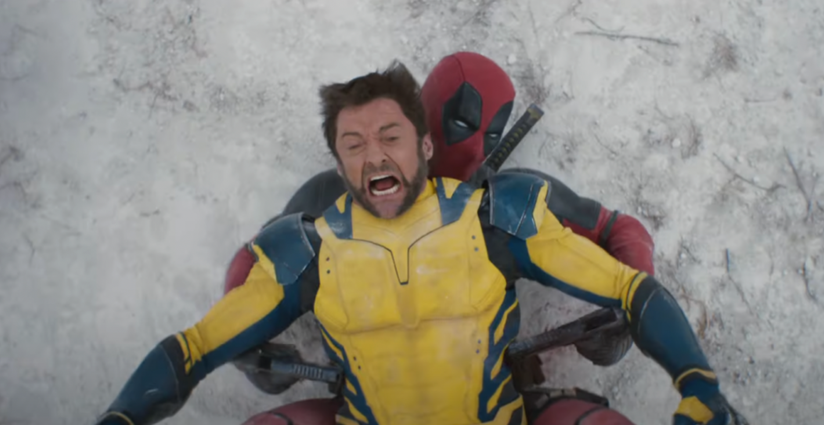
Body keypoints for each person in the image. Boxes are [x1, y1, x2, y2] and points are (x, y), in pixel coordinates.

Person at [69, 61, 741, 425]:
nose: (374, 157)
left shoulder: (500, 216)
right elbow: (195, 345)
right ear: (339, 162)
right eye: (354, 144)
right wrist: (119, 422)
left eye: (390, 137)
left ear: (422, 142)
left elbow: (630, 285)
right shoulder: (308, 246)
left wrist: (694, 377)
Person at [225, 52, 655, 385]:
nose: (475, 149)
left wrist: (629, 312)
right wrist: (248, 346)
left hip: (488, 411)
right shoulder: (340, 194)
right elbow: (255, 259)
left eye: (491, 134)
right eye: (462, 123)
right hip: (368, 417)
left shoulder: (507, 201)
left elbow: (619, 230)